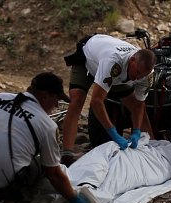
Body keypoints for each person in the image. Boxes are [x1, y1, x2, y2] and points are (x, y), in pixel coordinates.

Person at [0, 72, 90, 203]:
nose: (56, 105)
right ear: (45, 96)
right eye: (56, 100)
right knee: (43, 164)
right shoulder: (46, 125)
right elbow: (54, 174)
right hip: (0, 186)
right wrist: (73, 198)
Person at [62, 34, 157, 166]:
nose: (137, 78)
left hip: (118, 74)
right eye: (137, 72)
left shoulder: (147, 75)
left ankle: (151, 147)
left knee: (134, 104)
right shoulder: (113, 60)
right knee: (77, 100)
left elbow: (139, 106)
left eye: (142, 75)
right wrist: (113, 132)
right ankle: (66, 153)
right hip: (88, 60)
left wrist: (136, 131)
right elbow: (96, 101)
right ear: (132, 60)